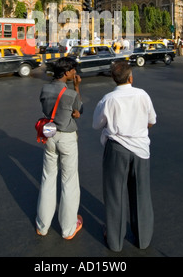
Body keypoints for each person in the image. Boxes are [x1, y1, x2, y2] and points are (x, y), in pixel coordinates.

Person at [93, 59, 156, 252]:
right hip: (140, 149)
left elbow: (97, 125)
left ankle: (115, 241)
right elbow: (151, 121)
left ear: (113, 78)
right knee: (141, 194)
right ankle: (143, 239)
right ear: (131, 77)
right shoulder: (142, 95)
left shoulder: (108, 99)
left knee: (115, 195)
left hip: (116, 149)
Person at [36, 57, 83, 240]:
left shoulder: (45, 89)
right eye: (73, 71)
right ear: (66, 73)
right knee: (69, 182)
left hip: (49, 135)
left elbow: (47, 108)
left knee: (48, 178)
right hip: (66, 137)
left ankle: (43, 225)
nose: (75, 74)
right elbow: (79, 109)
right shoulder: (70, 93)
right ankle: (68, 228)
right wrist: (77, 87)